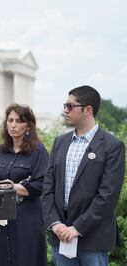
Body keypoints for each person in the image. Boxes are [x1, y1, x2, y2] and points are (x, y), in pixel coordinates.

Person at [42, 85, 125, 266]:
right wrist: (55, 224)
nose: (65, 110)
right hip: (61, 235)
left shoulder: (112, 146)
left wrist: (78, 228)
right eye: (65, 105)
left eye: (70, 106)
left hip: (93, 238)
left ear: (88, 110)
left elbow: (108, 196)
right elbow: (48, 188)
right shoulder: (60, 142)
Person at [0, 103, 49, 266]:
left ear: (28, 126)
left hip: (26, 218)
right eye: (10, 120)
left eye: (19, 121)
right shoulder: (0, 151)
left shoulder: (39, 151)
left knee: (25, 259)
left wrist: (11, 187)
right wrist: (8, 186)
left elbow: (41, 185)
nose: (13, 125)